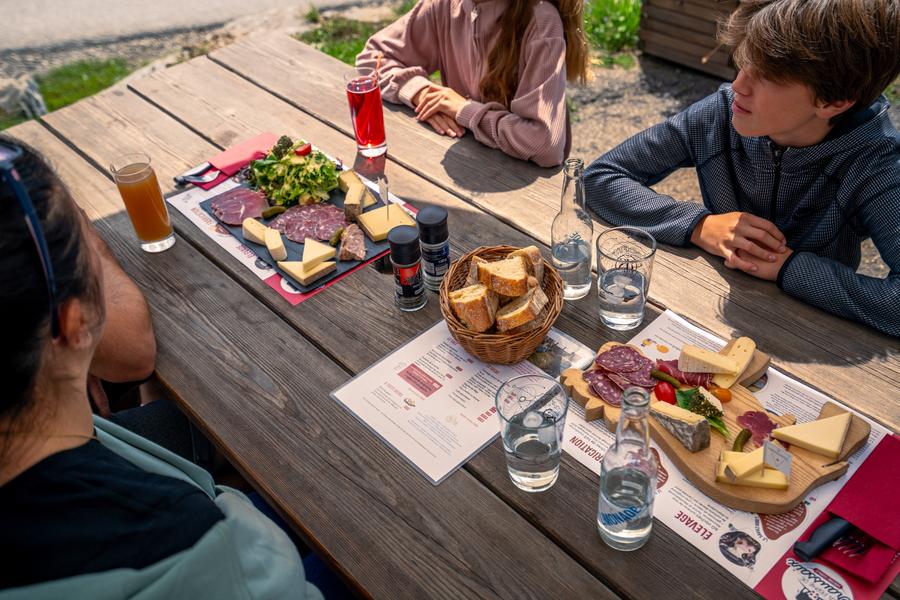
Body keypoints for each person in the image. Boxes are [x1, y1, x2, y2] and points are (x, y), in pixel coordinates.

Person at [0, 137, 322, 600]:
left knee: (183, 421)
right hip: (238, 559)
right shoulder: (188, 544)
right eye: (83, 239)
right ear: (73, 324)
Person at [584, 0, 900, 337]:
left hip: (810, 334)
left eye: (766, 75)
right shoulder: (721, 112)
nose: (738, 85)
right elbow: (600, 177)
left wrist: (788, 267)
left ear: (834, 101)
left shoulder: (878, 163)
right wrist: (699, 225)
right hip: (701, 309)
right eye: (745, 61)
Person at [356, 0, 588, 167]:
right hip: (463, 161)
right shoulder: (445, 6)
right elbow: (372, 57)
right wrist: (421, 92)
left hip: (526, 186)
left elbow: (544, 144)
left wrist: (464, 110)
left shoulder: (540, 22)